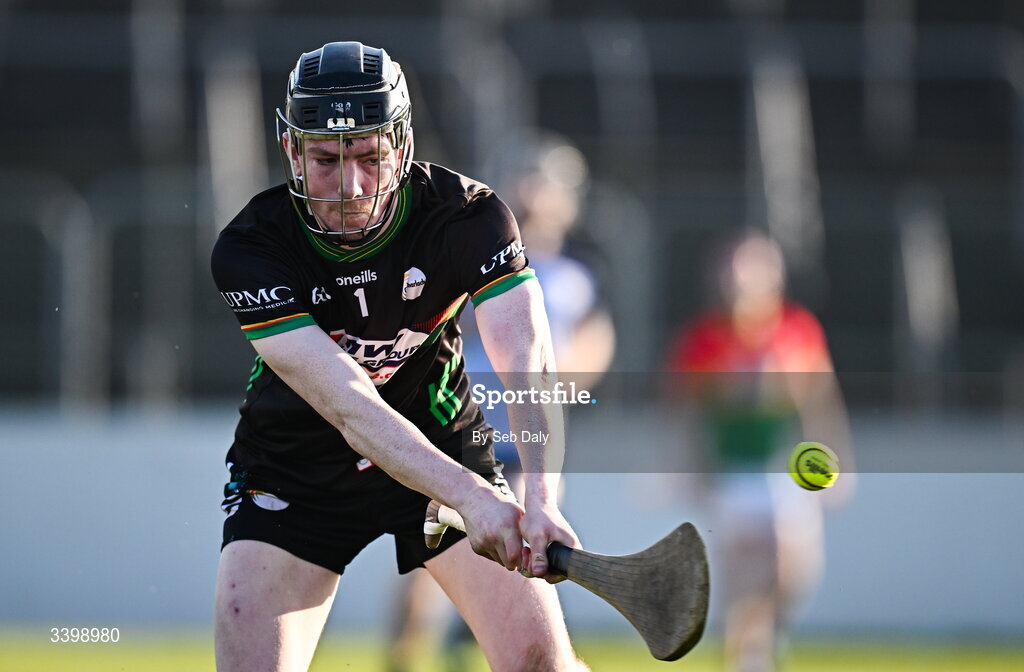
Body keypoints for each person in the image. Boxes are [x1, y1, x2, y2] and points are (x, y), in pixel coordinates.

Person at [210, 41, 588, 672]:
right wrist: (472, 498)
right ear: (291, 152)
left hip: (442, 440)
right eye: (326, 160)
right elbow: (350, 405)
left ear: (402, 144)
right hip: (294, 468)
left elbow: (529, 359)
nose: (349, 187)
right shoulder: (251, 248)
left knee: (543, 666)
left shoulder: (469, 217)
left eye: (367, 155)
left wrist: (543, 497)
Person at [386, 131, 616, 672]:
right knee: (429, 565)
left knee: (524, 554)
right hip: (461, 437)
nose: (535, 194)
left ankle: (517, 649)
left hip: (525, 444)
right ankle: (406, 656)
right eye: (526, 181)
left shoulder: (578, 277)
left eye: (547, 184)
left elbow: (591, 350)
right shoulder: (473, 259)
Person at [664, 231, 853, 672]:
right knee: (746, 575)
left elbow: (820, 400)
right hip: (732, 470)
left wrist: (837, 463)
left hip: (785, 470)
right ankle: (748, 659)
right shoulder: (703, 339)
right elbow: (684, 413)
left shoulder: (796, 329)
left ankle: (766, 639)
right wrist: (689, 468)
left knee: (795, 569)